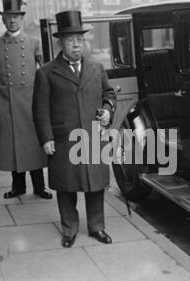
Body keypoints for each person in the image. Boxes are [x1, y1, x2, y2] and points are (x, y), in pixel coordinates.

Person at [32, 11, 116, 248]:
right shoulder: (46, 73)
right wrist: (46, 138)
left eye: (79, 39)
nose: (76, 44)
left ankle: (97, 227)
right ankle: (69, 230)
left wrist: (108, 109)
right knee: (66, 186)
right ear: (61, 43)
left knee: (95, 184)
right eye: (70, 40)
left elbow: (108, 94)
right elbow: (40, 109)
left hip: (91, 137)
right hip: (63, 139)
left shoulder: (96, 68)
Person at [0, 0, 52, 200]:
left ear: (22, 18)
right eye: (9, 17)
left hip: (32, 103)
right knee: (14, 147)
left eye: (16, 16)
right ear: (3, 19)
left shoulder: (33, 43)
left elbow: (46, 72)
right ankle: (18, 187)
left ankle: (39, 187)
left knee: (34, 145)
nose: (12, 20)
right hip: (9, 105)